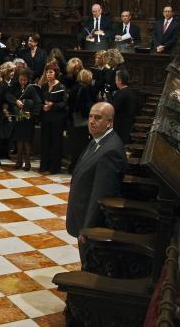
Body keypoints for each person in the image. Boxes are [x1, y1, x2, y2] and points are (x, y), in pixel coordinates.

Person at [66, 102, 127, 259]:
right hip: (81, 214)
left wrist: (88, 228)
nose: (92, 121)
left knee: (89, 262)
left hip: (89, 221)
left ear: (110, 122)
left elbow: (100, 195)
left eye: (98, 118)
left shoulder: (111, 150)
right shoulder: (98, 140)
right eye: (90, 116)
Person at [7, 68, 42, 170]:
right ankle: (18, 161)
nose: (22, 82)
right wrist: (15, 101)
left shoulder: (31, 88)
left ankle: (27, 162)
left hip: (27, 119)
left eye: (24, 80)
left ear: (28, 79)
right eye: (20, 79)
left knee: (26, 141)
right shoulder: (15, 86)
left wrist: (31, 114)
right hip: (18, 117)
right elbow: (7, 95)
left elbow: (38, 102)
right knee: (18, 140)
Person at [39, 62, 68, 174]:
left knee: (56, 143)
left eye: (50, 72)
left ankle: (54, 167)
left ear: (56, 73)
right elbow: (40, 100)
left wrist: (53, 105)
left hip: (57, 119)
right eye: (47, 72)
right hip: (46, 118)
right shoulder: (44, 86)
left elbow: (64, 104)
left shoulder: (61, 87)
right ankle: (44, 166)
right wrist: (43, 106)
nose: (48, 74)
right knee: (45, 142)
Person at [68, 69, 98, 171]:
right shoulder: (85, 89)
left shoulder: (73, 88)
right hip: (82, 121)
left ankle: (73, 166)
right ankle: (79, 168)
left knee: (74, 145)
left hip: (72, 120)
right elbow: (85, 106)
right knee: (82, 146)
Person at [111, 69, 138, 145]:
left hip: (120, 124)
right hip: (129, 123)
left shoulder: (120, 93)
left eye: (116, 80)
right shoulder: (131, 92)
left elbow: (113, 109)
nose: (115, 82)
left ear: (120, 81)